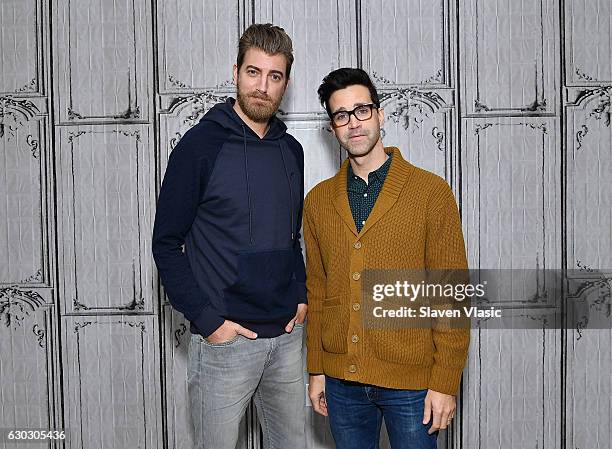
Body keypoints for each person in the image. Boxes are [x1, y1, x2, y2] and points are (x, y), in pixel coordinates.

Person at [152, 24, 307, 449]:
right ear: (235, 72)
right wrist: (208, 321)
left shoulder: (291, 150)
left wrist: (301, 293)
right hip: (226, 343)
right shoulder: (199, 146)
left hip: (287, 340)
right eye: (253, 72)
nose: (262, 86)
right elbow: (165, 243)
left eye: (274, 76)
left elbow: (292, 237)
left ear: (286, 84)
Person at [304, 68, 470, 449]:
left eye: (362, 110)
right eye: (341, 115)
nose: (354, 123)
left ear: (380, 114)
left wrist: (445, 382)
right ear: (333, 127)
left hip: (412, 385)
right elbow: (317, 290)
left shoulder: (431, 192)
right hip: (342, 383)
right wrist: (316, 369)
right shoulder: (317, 201)